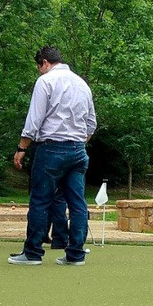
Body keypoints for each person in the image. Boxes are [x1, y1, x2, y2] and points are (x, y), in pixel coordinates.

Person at [9, 46, 96, 266]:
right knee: (77, 203)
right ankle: (75, 255)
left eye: (39, 67)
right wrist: (77, 142)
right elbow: (91, 124)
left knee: (40, 200)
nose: (39, 71)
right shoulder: (81, 84)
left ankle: (32, 253)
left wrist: (22, 148)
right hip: (78, 150)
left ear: (45, 63)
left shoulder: (46, 81)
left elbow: (34, 121)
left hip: (51, 149)